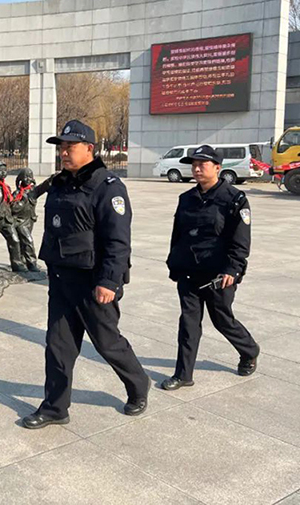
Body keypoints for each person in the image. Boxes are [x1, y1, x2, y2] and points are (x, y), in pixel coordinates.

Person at [22, 120, 150, 429]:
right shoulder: (60, 183)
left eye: (70, 147)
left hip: (94, 283)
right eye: (61, 147)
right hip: (62, 279)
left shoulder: (108, 187)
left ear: (89, 149)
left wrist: (109, 281)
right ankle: (55, 408)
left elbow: (118, 240)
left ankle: (138, 384)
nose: (63, 153)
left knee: (107, 344)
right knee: (58, 346)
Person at [161, 145, 259, 390]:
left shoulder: (234, 199)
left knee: (222, 319)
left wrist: (233, 270)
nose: (196, 169)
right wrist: (173, 262)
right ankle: (183, 374)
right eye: (193, 164)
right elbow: (178, 235)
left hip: (218, 275)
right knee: (188, 323)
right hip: (188, 272)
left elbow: (241, 240)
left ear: (217, 168)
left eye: (202, 164)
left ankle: (249, 350)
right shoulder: (186, 198)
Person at [11, 168, 52, 273]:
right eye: (25, 177)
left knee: (22, 241)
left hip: (30, 220)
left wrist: (51, 179)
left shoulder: (34, 191)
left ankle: (22, 260)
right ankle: (32, 263)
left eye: (30, 176)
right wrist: (22, 201)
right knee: (28, 240)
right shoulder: (17, 193)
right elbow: (13, 208)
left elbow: (43, 187)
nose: (28, 179)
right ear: (20, 179)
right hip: (19, 221)